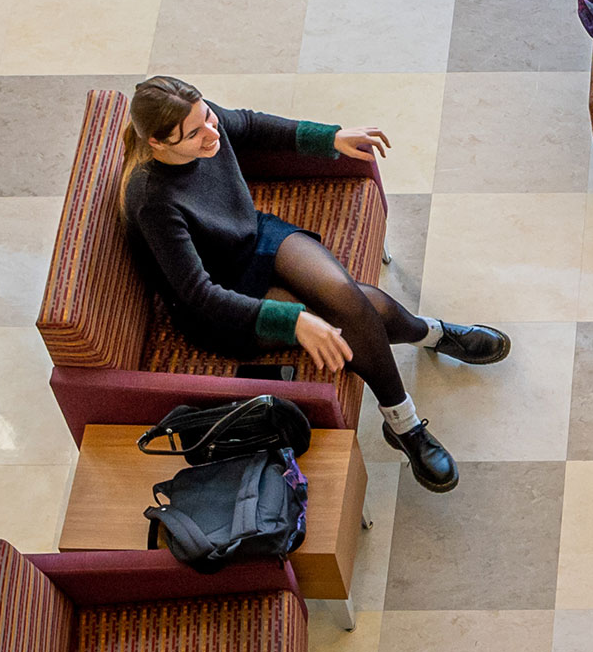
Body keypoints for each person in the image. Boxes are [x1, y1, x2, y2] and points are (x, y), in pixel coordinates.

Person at [119, 75, 507, 494]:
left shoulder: (199, 119)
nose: (212, 133)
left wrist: (332, 137)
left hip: (253, 238)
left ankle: (427, 336)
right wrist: (295, 321)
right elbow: (200, 294)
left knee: (347, 298)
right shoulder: (153, 203)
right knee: (341, 319)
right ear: (158, 143)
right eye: (194, 135)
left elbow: (249, 125)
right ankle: (407, 417)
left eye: (209, 118)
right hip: (222, 301)